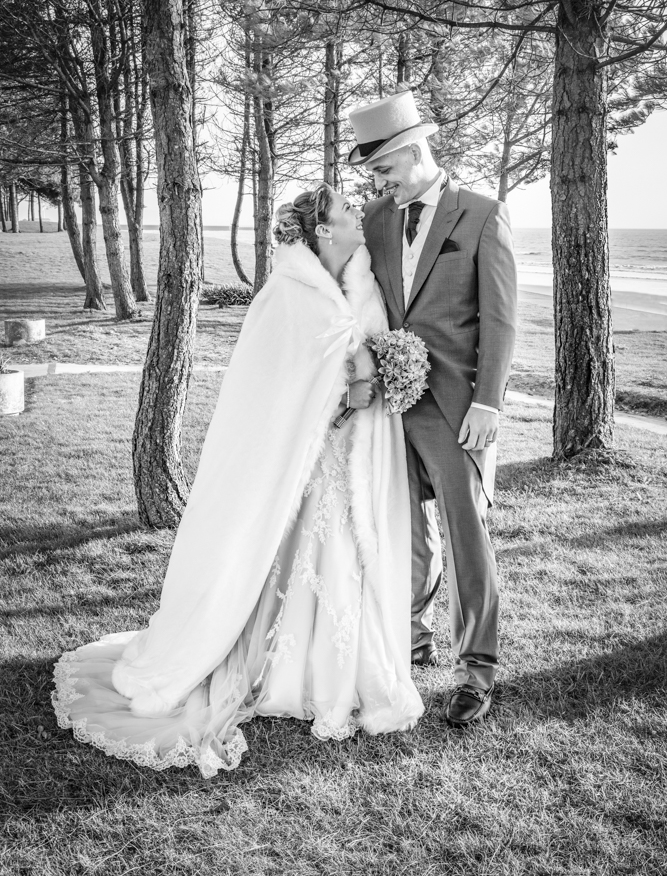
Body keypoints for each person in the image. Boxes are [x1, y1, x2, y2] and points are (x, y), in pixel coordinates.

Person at [52, 184, 424, 777]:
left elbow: (362, 351)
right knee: (289, 560)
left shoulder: (365, 282)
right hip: (297, 463)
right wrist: (347, 384)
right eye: (347, 212)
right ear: (323, 230)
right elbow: (274, 387)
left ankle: (331, 674)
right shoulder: (287, 293)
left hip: (348, 461)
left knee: (340, 563)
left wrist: (379, 372)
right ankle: (271, 669)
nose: (359, 217)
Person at [348, 91, 517, 727]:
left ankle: (476, 668)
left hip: (458, 408)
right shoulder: (375, 219)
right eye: (373, 174)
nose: (378, 182)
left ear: (414, 151)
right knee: (404, 529)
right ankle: (411, 635)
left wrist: (490, 404)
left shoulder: (482, 214)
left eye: (384, 169)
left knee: (465, 532)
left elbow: (501, 321)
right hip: (392, 405)